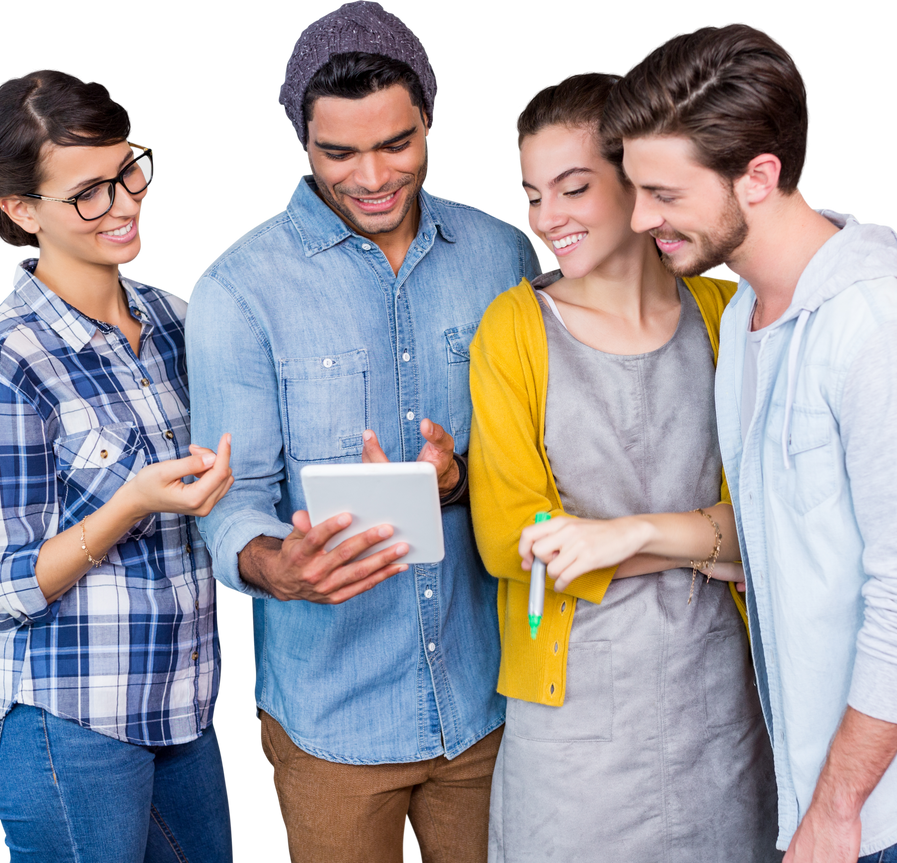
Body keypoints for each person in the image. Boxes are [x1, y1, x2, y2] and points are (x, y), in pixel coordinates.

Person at [601, 21, 897, 862]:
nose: (640, 217)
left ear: (758, 177)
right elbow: (786, 545)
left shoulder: (883, 329)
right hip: (828, 778)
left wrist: (836, 810)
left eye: (666, 193)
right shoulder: (751, 324)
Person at [184, 2, 542, 861]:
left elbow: (553, 452)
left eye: (398, 144)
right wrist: (277, 566)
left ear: (430, 125)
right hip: (330, 723)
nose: (374, 175)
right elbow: (228, 505)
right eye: (339, 152)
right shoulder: (236, 289)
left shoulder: (507, 254)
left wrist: (461, 480)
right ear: (301, 144)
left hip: (491, 703)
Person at [467, 70, 779, 862]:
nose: (547, 219)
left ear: (638, 185)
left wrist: (612, 537)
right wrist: (704, 541)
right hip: (573, 727)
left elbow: (774, 525)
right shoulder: (513, 329)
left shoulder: (723, 312)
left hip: (720, 709)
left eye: (573, 188)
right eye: (533, 195)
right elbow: (513, 542)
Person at [0, 67, 236, 862]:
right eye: (89, 193)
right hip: (68, 727)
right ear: (20, 209)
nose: (125, 202)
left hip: (185, 713)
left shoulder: (177, 317)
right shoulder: (3, 359)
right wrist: (131, 504)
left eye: (129, 170)